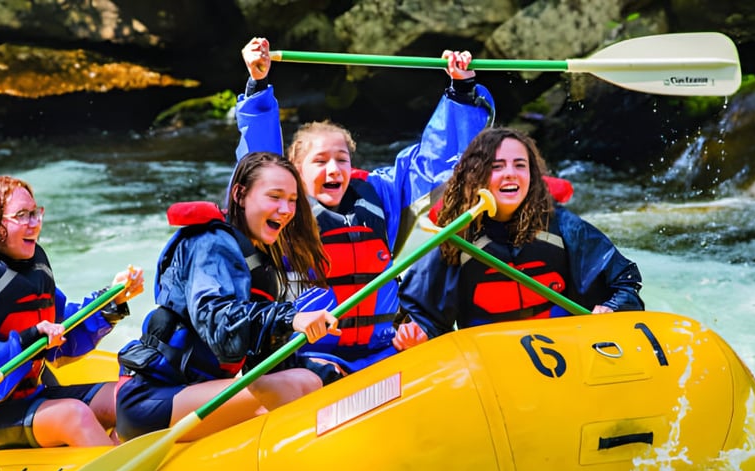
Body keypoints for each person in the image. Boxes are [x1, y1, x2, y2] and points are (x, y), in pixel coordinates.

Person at [235, 37, 493, 379]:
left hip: (380, 350)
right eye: (320, 161)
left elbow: (431, 162)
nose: (333, 170)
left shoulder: (378, 195)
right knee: (321, 378)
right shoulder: (285, 206)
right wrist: (259, 84)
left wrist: (461, 90)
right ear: (295, 170)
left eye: (342, 159)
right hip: (312, 354)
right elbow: (258, 159)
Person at [115, 151, 339, 442]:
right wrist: (291, 318)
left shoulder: (256, 256)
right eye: (274, 196)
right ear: (240, 194)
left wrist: (335, 381)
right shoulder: (211, 244)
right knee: (297, 386)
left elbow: (263, 358)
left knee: (316, 377)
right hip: (151, 401)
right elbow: (218, 323)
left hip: (193, 393)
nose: (286, 209)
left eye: (293, 200)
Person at [0, 176, 144, 451]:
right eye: (21, 215)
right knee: (74, 415)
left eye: (35, 213)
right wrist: (25, 341)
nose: (34, 223)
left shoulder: (31, 269)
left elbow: (64, 339)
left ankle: (116, 462)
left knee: (127, 400)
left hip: (27, 397)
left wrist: (111, 304)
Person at [394, 127, 644, 348]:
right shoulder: (456, 236)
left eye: (519, 165)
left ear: (532, 175)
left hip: (565, 352)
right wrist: (416, 332)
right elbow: (417, 311)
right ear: (476, 175)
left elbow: (624, 281)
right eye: (497, 166)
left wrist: (611, 308)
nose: (510, 173)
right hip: (488, 362)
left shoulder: (563, 225)